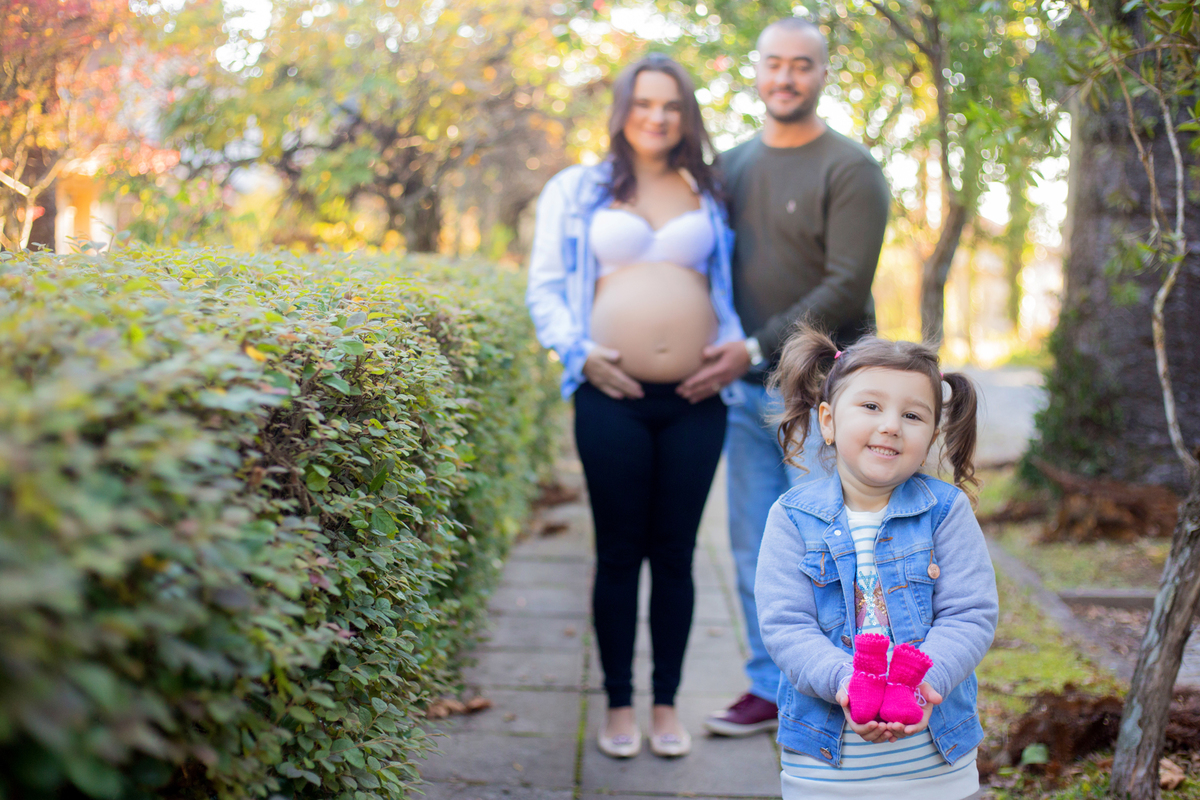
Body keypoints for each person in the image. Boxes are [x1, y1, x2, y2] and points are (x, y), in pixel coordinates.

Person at [525, 53, 745, 759]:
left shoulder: (710, 191)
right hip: (609, 397)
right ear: (623, 109)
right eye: (645, 102)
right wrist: (577, 352)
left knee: (676, 555)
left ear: (687, 115)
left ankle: (666, 703)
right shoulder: (577, 189)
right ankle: (619, 704)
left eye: (672, 105)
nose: (658, 116)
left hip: (696, 400)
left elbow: (734, 287)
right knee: (619, 553)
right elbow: (546, 286)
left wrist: (739, 347)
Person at [677, 17, 891, 736]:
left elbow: (845, 286)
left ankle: (840, 688)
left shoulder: (851, 168)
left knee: (833, 547)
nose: (786, 77)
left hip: (826, 394)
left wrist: (751, 347)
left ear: (823, 73)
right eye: (774, 63)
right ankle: (767, 687)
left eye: (802, 65)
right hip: (744, 396)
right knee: (756, 548)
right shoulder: (731, 166)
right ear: (758, 70)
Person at [754, 325, 998, 799]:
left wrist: (923, 682)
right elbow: (785, 625)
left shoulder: (945, 512)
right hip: (825, 766)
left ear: (931, 435)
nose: (891, 425)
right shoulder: (792, 518)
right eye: (871, 406)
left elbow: (970, 613)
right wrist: (846, 681)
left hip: (934, 766)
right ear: (828, 421)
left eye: (912, 415)